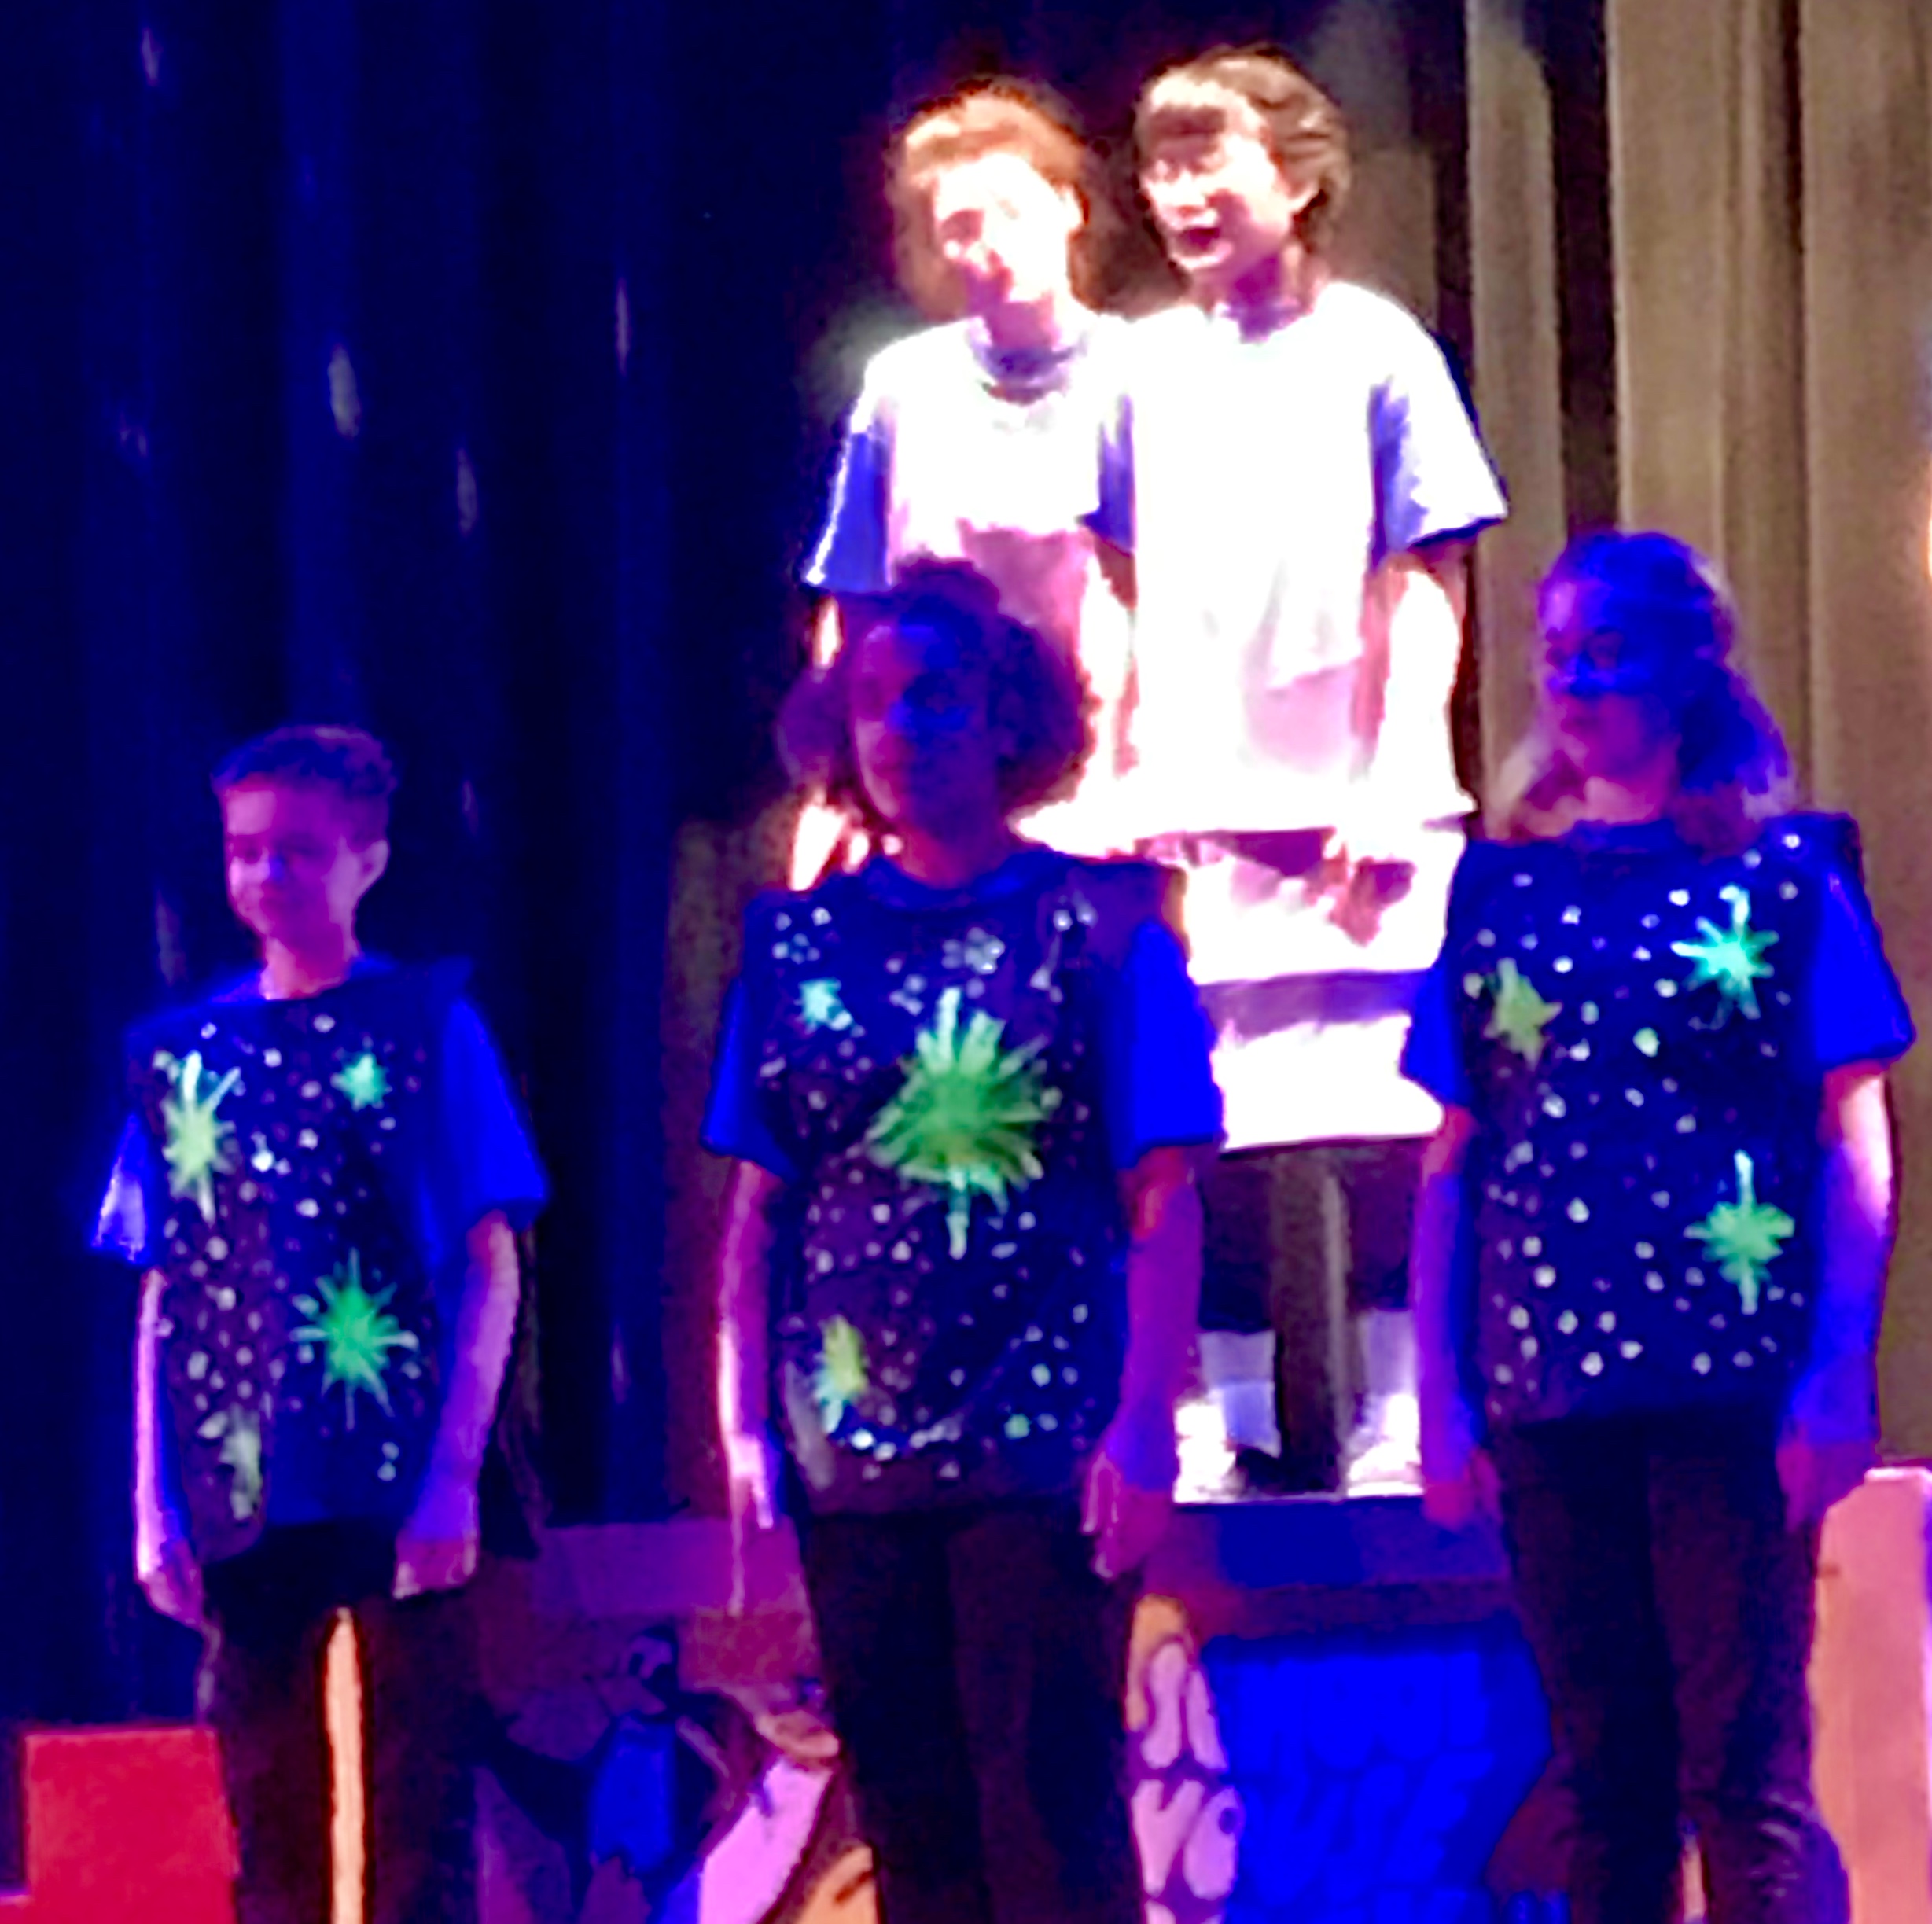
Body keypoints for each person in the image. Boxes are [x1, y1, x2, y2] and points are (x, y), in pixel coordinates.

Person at [1404, 532, 1911, 1924]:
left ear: (1693, 665)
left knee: (1743, 1763)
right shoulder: (1499, 888)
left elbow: (1852, 1128)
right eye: (1558, 655)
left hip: (1727, 1380)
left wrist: (1838, 1362)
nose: (1575, 683)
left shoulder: (1784, 875)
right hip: (1546, 1384)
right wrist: (1443, 1388)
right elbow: (1452, 1155)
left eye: (1609, 653)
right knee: (1601, 1770)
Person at [707, 561, 1220, 1924]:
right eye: (874, 700)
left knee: (1048, 1812)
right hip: (849, 1452)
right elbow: (760, 1206)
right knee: (911, 1819)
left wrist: (1145, 1424)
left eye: (935, 696)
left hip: (1043, 1444)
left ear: (1006, 722)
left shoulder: (1103, 928)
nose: (900, 729)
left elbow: (1163, 1193)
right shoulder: (798, 946)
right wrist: (744, 1426)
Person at [1097, 45, 1508, 1493]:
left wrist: (1394, 771)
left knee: (1394, 1111)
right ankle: (1221, 1418)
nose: (1182, 195)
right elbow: (1112, 585)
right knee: (1192, 1119)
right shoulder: (1136, 367)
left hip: (1351, 805)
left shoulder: (1377, 352)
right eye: (1161, 167)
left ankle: (1401, 1405)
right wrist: (1115, 762)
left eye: (1210, 160)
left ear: (1296, 174)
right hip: (1191, 812)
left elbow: (1426, 573)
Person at [94, 725, 547, 1924]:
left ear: (368, 860)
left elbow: (490, 1257)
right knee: (268, 1797)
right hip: (243, 1470)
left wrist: (453, 1475)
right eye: (246, 851)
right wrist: (153, 1502)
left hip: (398, 1458)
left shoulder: (425, 1024)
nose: (266, 876)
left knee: (416, 1795)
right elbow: (164, 1281)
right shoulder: (187, 1054)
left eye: (299, 850)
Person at [800, 78, 1138, 874]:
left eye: (1012, 214)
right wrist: (833, 790)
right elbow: (855, 596)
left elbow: (1141, 600)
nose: (991, 245)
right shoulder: (902, 386)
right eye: (961, 227)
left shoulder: (1137, 373)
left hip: (1093, 772)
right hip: (937, 768)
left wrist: (1110, 781)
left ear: (1069, 208)